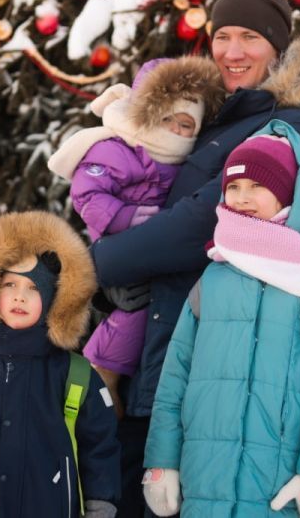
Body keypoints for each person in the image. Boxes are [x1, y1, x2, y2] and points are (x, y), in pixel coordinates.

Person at [88, 0, 300, 515]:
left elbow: (201, 222)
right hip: (168, 350)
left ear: (279, 48)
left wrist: (90, 264)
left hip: (222, 369)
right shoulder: (222, 116)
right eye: (222, 36)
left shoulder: (292, 124)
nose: (232, 52)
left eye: (250, 37)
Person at [142, 120, 300, 517]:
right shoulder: (214, 277)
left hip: (276, 488)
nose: (242, 197)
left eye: (258, 186)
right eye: (233, 187)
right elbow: (175, 378)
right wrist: (163, 460)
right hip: (204, 480)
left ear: (291, 193)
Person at [48, 56, 224, 417]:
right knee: (131, 313)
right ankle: (100, 373)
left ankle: (103, 378)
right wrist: (124, 217)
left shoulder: (181, 163)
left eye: (186, 124)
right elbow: (87, 194)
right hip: (118, 242)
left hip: (155, 252)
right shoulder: (117, 147)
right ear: (147, 115)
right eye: (167, 119)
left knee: (142, 311)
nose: (175, 131)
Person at [0, 211, 121, 518]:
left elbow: (99, 448)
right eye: (10, 285)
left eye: (33, 289)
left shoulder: (75, 375)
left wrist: (100, 505)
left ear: (55, 300)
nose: (19, 297)